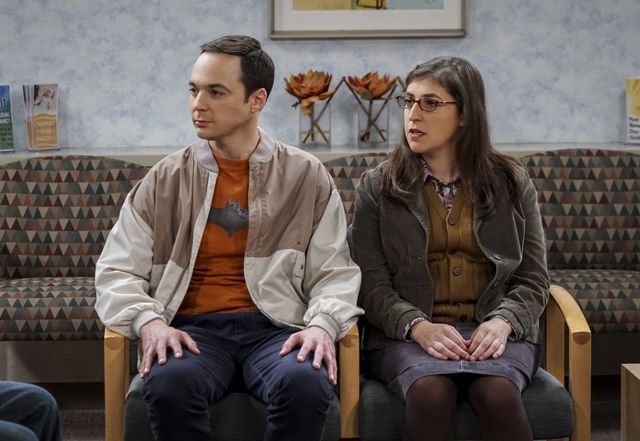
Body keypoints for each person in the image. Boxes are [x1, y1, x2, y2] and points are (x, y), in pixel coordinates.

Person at [94, 35, 362, 441]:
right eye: (194, 90)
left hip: (278, 327)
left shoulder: (306, 176)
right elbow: (116, 270)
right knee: (169, 382)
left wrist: (323, 325)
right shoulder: (165, 178)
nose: (198, 104)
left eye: (215, 92)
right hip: (192, 330)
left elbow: (335, 272)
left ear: (257, 100)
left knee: (306, 382)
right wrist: (149, 321)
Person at [351, 56, 549, 441]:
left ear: (464, 115)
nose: (413, 115)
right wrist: (417, 326)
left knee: (497, 393)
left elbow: (533, 278)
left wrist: (503, 322)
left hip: (494, 330)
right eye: (408, 101)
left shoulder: (511, 181)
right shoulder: (378, 185)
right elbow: (370, 282)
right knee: (430, 392)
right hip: (406, 335)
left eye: (430, 103)